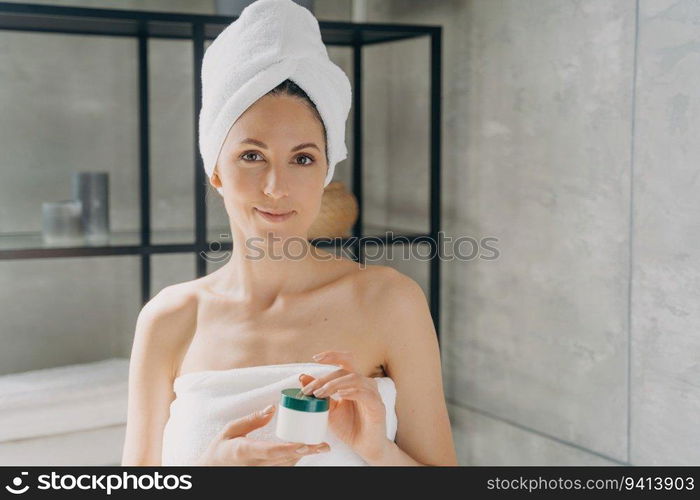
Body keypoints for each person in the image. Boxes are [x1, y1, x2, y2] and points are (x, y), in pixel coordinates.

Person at [121, 0, 457, 467]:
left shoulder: (390, 301)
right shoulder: (170, 319)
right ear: (215, 170)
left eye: (302, 159)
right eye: (252, 155)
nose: (277, 187)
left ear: (325, 171)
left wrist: (379, 452)